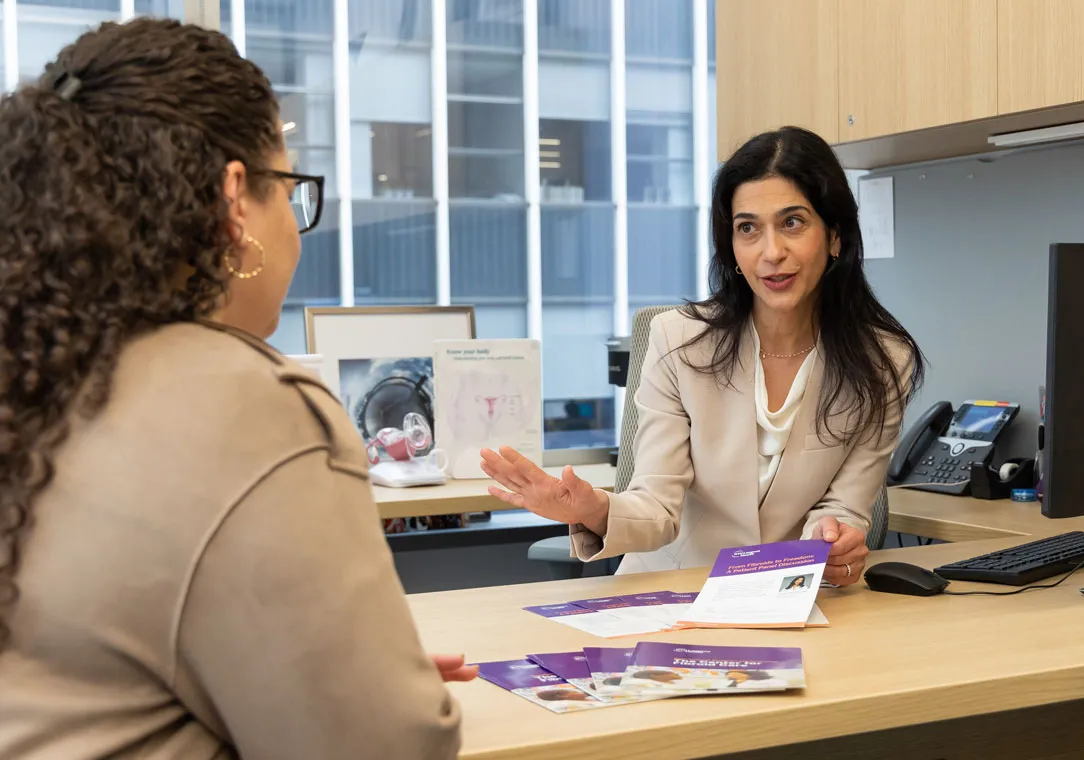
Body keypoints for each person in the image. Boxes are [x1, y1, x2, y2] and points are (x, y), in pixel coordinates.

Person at [0, 19, 471, 760]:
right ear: (232, 197)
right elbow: (384, 749)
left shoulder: (33, 374)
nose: (294, 224)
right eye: (288, 188)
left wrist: (348, 675)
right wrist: (375, 702)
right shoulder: (246, 403)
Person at [482, 126, 924, 584]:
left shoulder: (884, 362)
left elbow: (845, 508)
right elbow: (656, 506)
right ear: (730, 246)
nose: (772, 252)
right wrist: (594, 508)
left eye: (793, 222)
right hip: (673, 593)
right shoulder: (678, 340)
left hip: (785, 596)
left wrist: (835, 541)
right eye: (748, 228)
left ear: (834, 237)